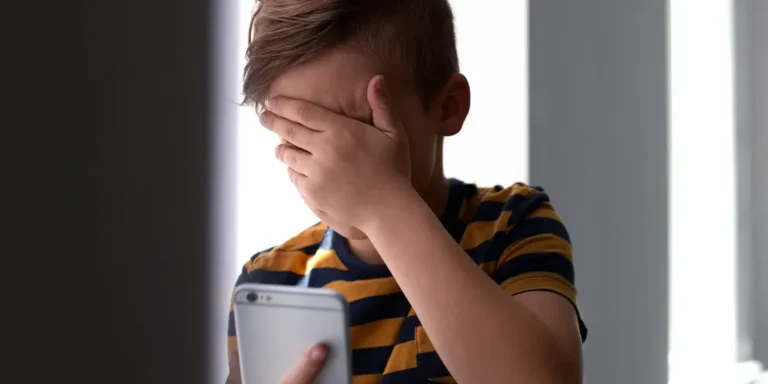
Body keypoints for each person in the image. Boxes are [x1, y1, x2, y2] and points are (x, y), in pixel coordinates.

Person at [226, 1, 587, 383]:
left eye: (355, 134)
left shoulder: (514, 222)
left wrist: (384, 205)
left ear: (447, 107)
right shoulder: (268, 281)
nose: (331, 165)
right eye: (303, 137)